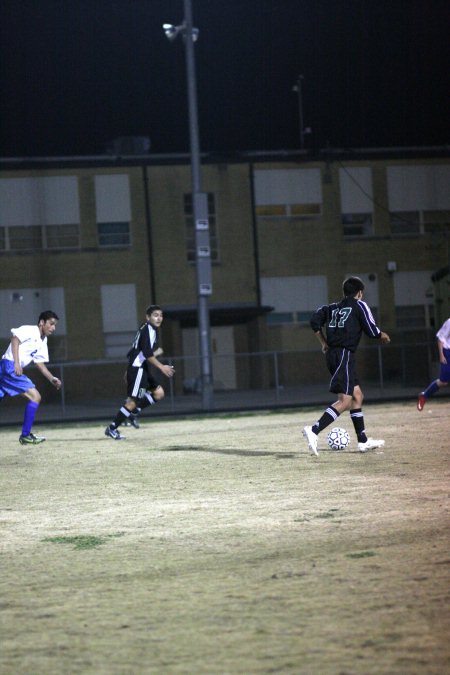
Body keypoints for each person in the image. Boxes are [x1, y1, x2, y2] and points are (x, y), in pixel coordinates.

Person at [303, 277, 391, 456]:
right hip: (344, 354)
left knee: (357, 396)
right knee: (345, 400)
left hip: (334, 355)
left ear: (344, 292)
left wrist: (323, 342)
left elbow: (314, 321)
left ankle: (363, 441)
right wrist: (383, 335)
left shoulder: (331, 307)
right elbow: (372, 331)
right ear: (359, 293)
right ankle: (314, 430)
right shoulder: (360, 305)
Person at [105, 305, 175, 439]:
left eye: (160, 315)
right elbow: (147, 354)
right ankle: (112, 428)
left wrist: (129, 368)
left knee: (159, 393)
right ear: (148, 317)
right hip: (138, 370)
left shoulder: (149, 329)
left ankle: (133, 413)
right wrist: (162, 367)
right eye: (155, 315)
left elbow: (136, 352)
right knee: (132, 402)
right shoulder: (148, 329)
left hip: (141, 369)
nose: (159, 318)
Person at [0, 311, 62, 445]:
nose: (53, 328)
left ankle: (26, 435)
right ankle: (25, 435)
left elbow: (40, 364)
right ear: (41, 322)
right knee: (35, 396)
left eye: (55, 325)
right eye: (51, 324)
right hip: (10, 366)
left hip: (6, 367)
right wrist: (16, 362)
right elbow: (15, 339)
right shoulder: (31, 330)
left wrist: (52, 379)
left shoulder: (43, 340)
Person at [417, 317, 450, 410]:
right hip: (447, 352)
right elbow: (441, 339)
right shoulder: (449, 322)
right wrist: (441, 355)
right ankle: (424, 395)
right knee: (443, 382)